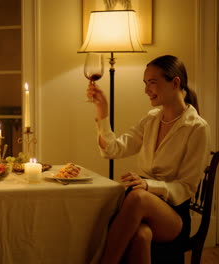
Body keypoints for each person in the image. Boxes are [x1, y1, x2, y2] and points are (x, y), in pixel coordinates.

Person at [87, 55, 210, 264]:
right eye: (145, 83)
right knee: (141, 235)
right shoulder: (151, 119)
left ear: (175, 82)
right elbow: (114, 150)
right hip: (142, 207)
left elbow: (186, 187)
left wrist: (148, 186)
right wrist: (102, 112)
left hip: (174, 215)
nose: (146, 89)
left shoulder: (197, 128)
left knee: (137, 197)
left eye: (152, 82)